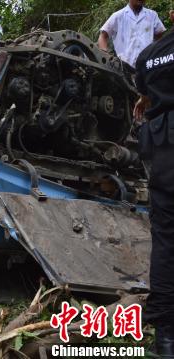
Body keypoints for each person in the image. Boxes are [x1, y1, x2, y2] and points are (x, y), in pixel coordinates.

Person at [133, 17, 174, 358]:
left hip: (162, 152)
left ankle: (166, 338)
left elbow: (144, 97)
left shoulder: (148, 56)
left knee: (165, 240)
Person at [98, 0, 166, 68]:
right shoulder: (118, 16)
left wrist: (157, 55)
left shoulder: (152, 15)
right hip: (124, 67)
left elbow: (160, 36)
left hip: (148, 66)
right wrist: (105, 53)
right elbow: (103, 36)